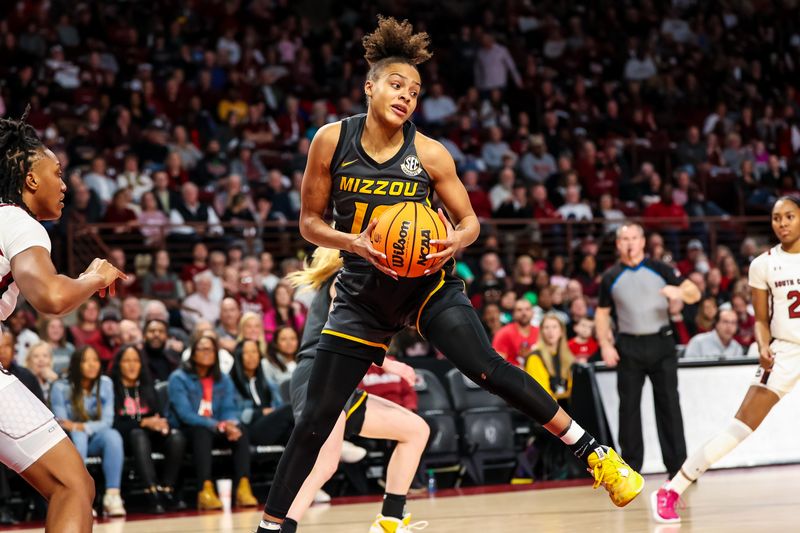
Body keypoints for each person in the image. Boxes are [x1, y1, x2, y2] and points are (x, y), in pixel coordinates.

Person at [255, 18, 642, 533]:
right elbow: (309, 223)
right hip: (363, 293)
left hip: (426, 284)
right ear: (369, 86)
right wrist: (353, 242)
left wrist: (450, 243)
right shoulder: (331, 141)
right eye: (397, 85)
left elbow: (471, 223)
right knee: (314, 421)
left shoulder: (430, 153)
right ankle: (273, 527)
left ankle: (596, 453)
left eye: (415, 92)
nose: (406, 97)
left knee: (486, 367)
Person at [0, 109, 125, 532]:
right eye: (57, 172)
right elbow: (51, 298)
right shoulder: (17, 221)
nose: (65, 183)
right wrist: (93, 277)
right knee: (73, 485)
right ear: (30, 178)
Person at [653, 196, 800, 523]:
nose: (783, 223)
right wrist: (762, 346)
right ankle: (672, 489)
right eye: (777, 218)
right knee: (739, 428)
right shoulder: (763, 264)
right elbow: (761, 319)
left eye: (790, 216)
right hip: (786, 351)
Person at [272, 247, 431, 533]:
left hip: (340, 383)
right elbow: (346, 327)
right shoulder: (342, 278)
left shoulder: (347, 278)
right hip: (316, 375)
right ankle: (282, 527)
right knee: (325, 463)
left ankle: (389, 521)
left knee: (416, 430)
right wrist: (389, 364)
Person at [595, 222, 701, 478]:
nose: (630, 243)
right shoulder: (611, 276)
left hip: (661, 342)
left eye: (634, 238)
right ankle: (630, 469)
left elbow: (694, 292)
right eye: (624, 239)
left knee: (669, 405)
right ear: (618, 244)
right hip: (629, 345)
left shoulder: (661, 268)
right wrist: (605, 344)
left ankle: (678, 469)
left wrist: (679, 292)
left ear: (643, 242)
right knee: (628, 408)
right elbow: (602, 313)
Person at [167, 335, 258, 510]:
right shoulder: (179, 378)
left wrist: (230, 424)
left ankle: (243, 487)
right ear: (192, 354)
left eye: (210, 349)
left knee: (241, 430)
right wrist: (217, 425)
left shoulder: (223, 379)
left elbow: (229, 408)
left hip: (217, 427)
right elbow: (185, 414)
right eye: (202, 349)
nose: (207, 353)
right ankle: (205, 490)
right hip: (188, 429)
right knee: (202, 432)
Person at [50, 346, 127, 516]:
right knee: (78, 435)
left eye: (95, 360)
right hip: (70, 441)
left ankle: (112, 496)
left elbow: (107, 421)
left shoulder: (106, 383)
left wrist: (81, 427)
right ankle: (80, 496)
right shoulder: (60, 387)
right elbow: (62, 423)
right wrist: (79, 429)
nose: (92, 365)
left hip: (95, 438)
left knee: (113, 436)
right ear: (76, 364)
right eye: (86, 361)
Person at [110, 344, 187, 513]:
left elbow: (158, 415)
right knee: (138, 434)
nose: (132, 365)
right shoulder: (112, 388)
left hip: (151, 437)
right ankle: (151, 493)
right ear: (119, 364)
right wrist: (142, 423)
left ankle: (168, 490)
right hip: (126, 440)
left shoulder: (147, 385)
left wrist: (162, 425)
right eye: (127, 361)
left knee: (176, 437)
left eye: (136, 361)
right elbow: (114, 423)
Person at [229, 339, 295, 446]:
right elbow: (230, 414)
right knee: (290, 409)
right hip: (248, 430)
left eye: (254, 352)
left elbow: (278, 407)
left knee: (293, 434)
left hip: (270, 428)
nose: (251, 356)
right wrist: (259, 413)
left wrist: (272, 412)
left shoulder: (267, 382)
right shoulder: (231, 382)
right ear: (239, 355)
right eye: (246, 352)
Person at [524, 313, 575, 400]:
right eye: (546, 327)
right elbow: (540, 394)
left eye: (554, 327)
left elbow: (573, 389)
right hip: (547, 409)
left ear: (561, 331)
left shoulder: (569, 357)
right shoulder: (535, 357)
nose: (550, 331)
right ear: (542, 332)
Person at [491, 297, 539, 367]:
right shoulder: (504, 333)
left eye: (527, 309)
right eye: (519, 310)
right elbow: (497, 362)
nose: (524, 313)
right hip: (511, 375)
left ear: (532, 312)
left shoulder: (540, 332)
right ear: (513, 313)